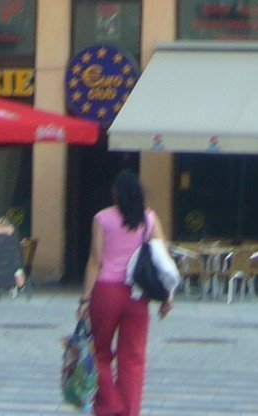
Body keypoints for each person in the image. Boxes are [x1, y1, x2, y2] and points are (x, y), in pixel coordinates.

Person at [79, 169, 172, 416]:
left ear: (115, 193)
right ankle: (129, 411)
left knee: (99, 351)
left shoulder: (102, 218)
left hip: (106, 292)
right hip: (137, 295)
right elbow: (163, 260)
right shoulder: (149, 219)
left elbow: (95, 260)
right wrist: (167, 296)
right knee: (132, 358)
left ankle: (111, 406)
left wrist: (85, 299)